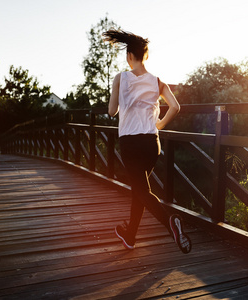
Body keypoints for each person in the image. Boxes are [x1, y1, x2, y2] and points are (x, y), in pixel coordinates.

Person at [103, 29, 191, 254]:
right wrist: (159, 125)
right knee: (140, 190)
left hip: (130, 143)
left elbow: (112, 111)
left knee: (140, 190)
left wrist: (118, 97)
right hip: (152, 143)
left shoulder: (120, 78)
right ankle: (130, 236)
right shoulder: (158, 82)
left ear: (129, 56)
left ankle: (169, 220)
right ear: (146, 56)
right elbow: (176, 107)